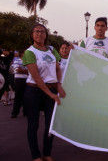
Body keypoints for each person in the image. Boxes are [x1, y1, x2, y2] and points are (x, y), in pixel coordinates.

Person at [23, 24, 66, 161]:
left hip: (52, 89)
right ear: (32, 34)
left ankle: (47, 153)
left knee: (50, 124)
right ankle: (36, 155)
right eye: (36, 32)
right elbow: (36, 77)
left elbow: (58, 69)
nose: (39, 34)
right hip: (34, 91)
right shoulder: (29, 52)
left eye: (42, 32)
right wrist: (51, 94)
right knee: (33, 125)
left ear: (46, 35)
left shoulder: (52, 50)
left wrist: (58, 85)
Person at [11, 50, 28, 118]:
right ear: (21, 54)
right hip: (19, 80)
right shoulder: (17, 61)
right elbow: (18, 70)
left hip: (27, 80)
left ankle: (26, 112)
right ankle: (15, 113)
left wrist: (22, 70)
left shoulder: (29, 61)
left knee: (26, 97)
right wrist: (26, 71)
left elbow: (31, 71)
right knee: (18, 97)